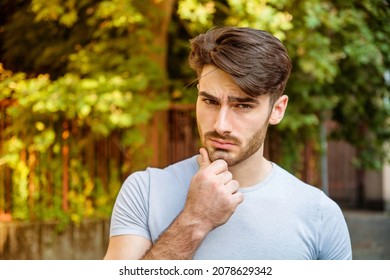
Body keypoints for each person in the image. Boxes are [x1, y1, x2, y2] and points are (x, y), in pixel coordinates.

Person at [104, 26, 352, 260]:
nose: (221, 124)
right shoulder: (145, 192)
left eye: (243, 105)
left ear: (277, 110)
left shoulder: (319, 214)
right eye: (210, 101)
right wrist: (196, 220)